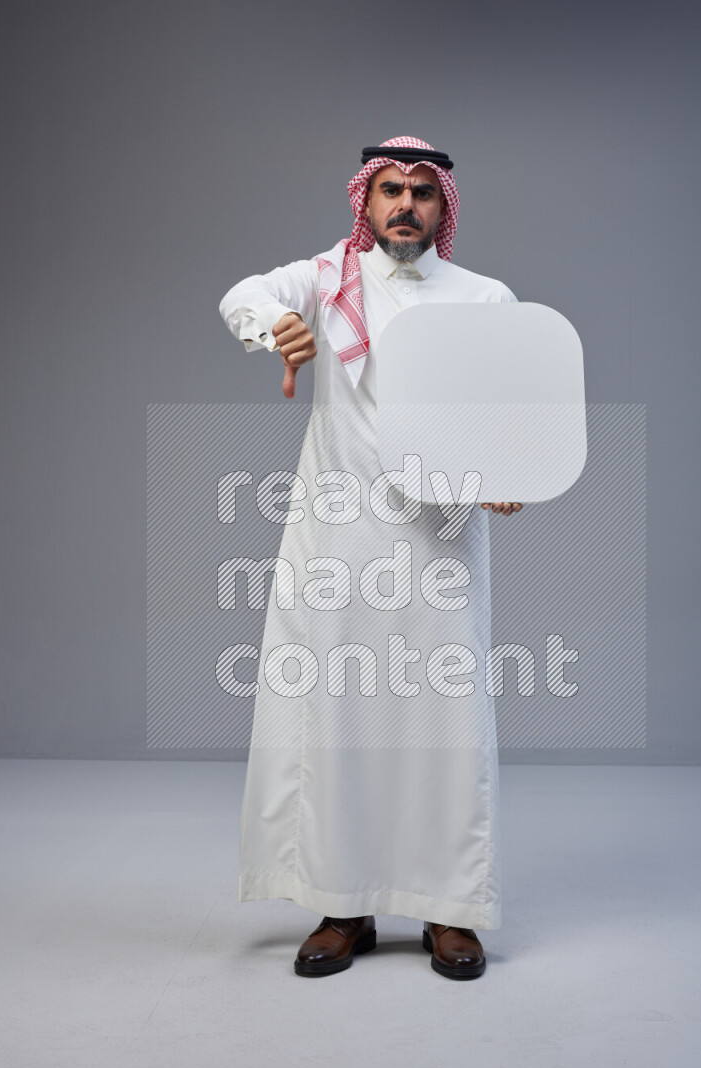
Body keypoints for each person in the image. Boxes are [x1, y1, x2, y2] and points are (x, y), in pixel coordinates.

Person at [219, 136, 522, 980]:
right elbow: (243, 292)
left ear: (443, 207)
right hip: (338, 539)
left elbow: (512, 409)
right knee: (339, 719)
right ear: (365, 198)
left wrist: (508, 468)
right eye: (390, 189)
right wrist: (270, 325)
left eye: (422, 193)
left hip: (441, 543)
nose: (405, 206)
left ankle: (450, 910)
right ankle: (342, 903)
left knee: (445, 725)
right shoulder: (325, 280)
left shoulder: (485, 297)